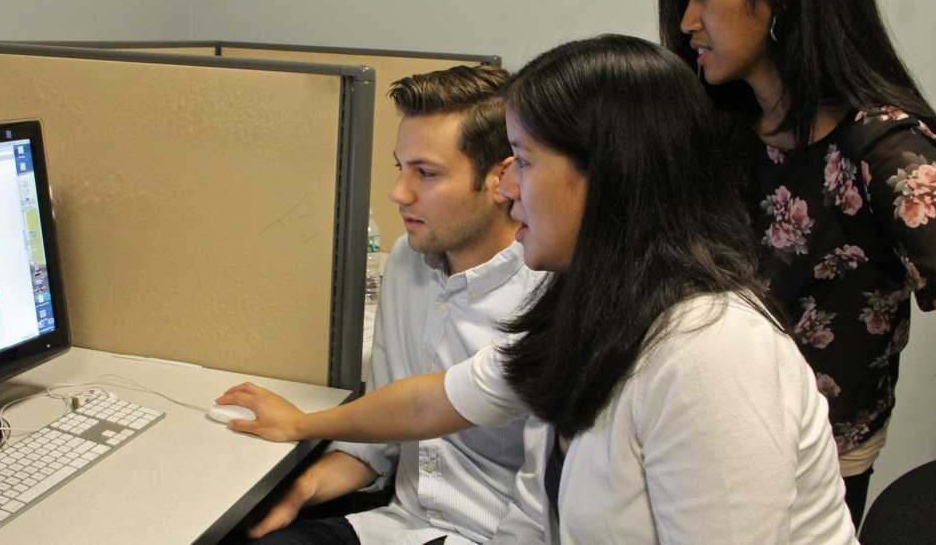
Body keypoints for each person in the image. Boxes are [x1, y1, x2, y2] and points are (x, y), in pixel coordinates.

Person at [220, 35, 858, 544]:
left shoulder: (713, 353)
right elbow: (433, 403)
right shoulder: (593, 307)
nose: (506, 189)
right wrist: (304, 426)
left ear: (604, 177)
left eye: (523, 163)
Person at [656, 0, 936, 525]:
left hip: (810, 471)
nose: (686, 23)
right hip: (692, 434)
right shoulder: (716, 131)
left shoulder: (884, 147)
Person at [248, 64, 547, 545]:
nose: (398, 193)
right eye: (400, 167)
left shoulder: (549, 292)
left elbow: (547, 504)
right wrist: (300, 490)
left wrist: (301, 424)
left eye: (425, 173)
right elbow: (380, 442)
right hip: (396, 524)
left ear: (501, 178)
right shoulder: (410, 261)